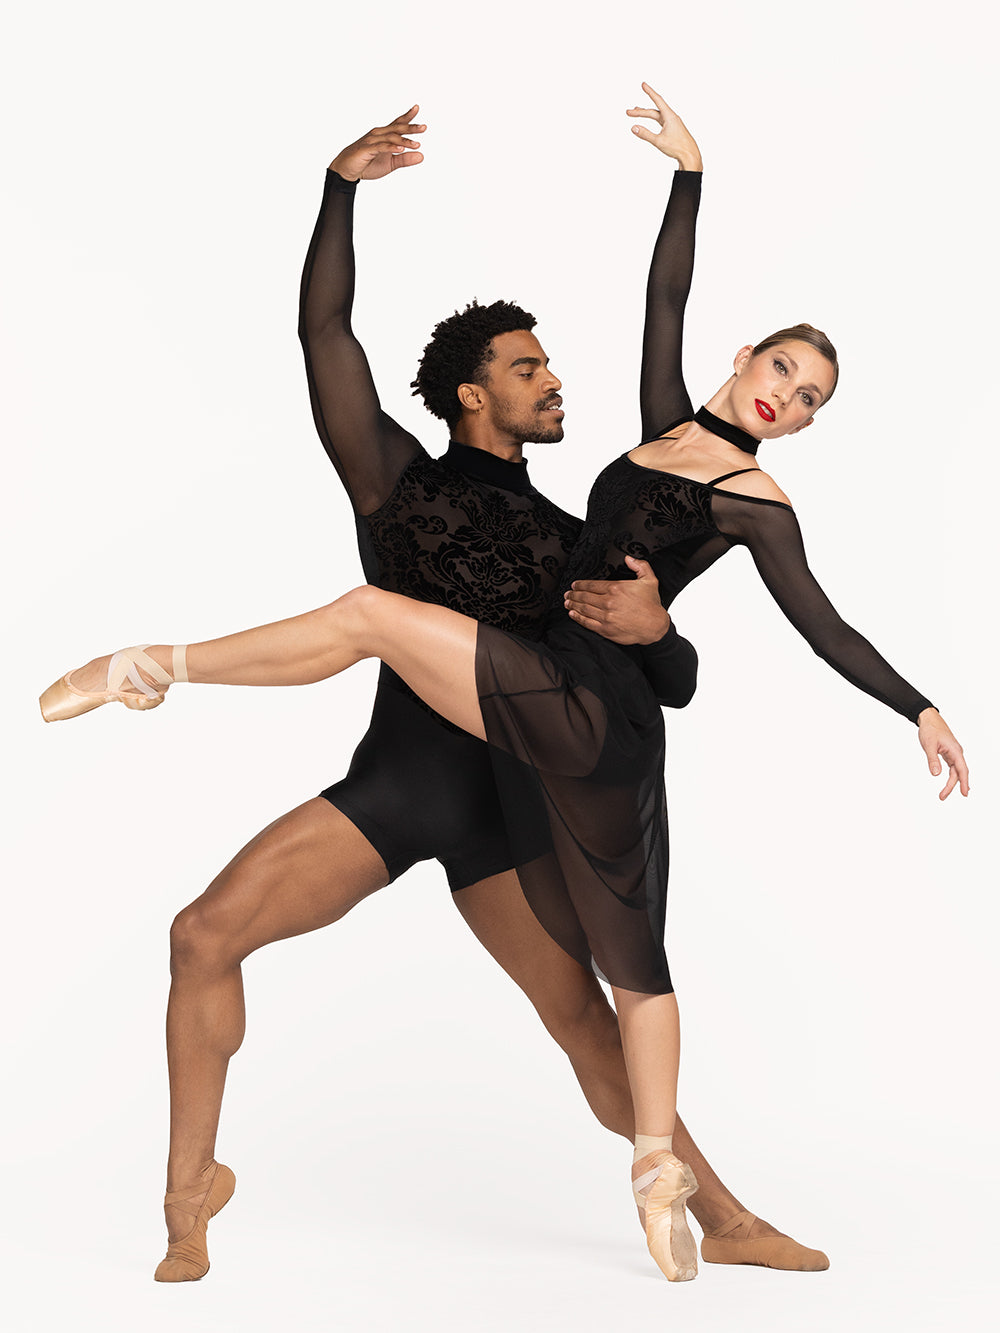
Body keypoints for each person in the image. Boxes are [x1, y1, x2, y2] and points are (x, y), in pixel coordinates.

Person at [43, 86, 970, 1281]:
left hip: (511, 809)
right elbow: (325, 334)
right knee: (201, 934)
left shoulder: (569, 528)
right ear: (472, 389)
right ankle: (190, 1194)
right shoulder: (392, 478)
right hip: (399, 789)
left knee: (586, 1023)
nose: (554, 379)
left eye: (550, 364)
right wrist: (338, 193)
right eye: (529, 367)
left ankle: (726, 1215)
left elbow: (661, 673)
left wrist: (658, 628)